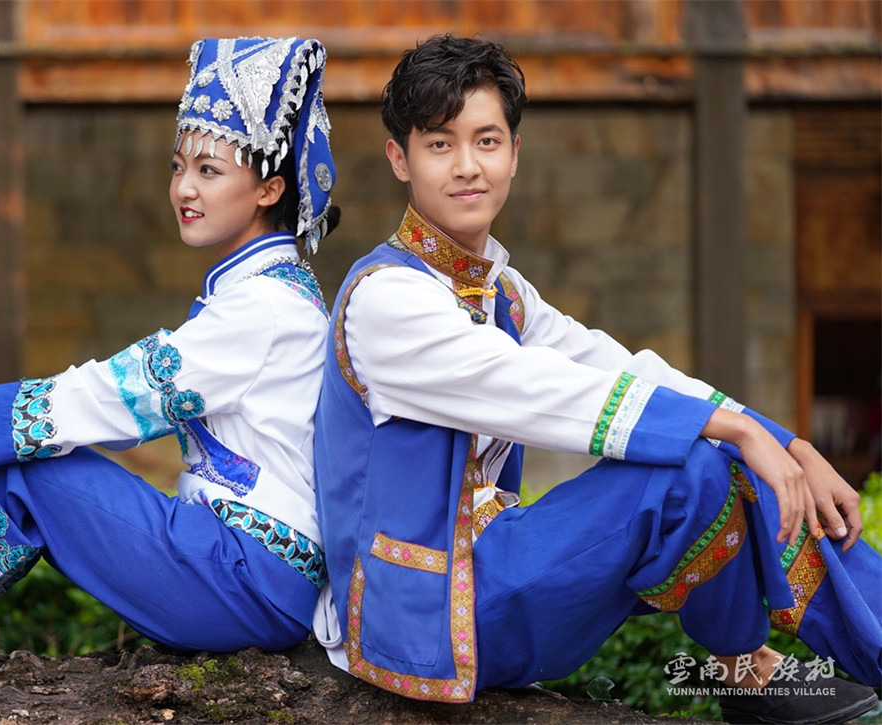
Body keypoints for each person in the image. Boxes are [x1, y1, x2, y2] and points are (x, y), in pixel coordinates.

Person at [311, 34, 880, 723]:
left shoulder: (503, 293)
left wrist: (788, 443)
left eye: (487, 142)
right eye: (439, 144)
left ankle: (756, 667)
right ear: (399, 158)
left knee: (717, 462)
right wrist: (736, 430)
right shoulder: (384, 299)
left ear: (515, 155)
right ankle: (752, 671)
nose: (467, 167)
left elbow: (616, 367)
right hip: (422, 616)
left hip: (496, 572)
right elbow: (539, 387)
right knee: (693, 465)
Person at [0, 35, 341, 680]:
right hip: (242, 568)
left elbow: (128, 392)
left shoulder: (264, 307)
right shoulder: (265, 291)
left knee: (25, 468)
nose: (184, 188)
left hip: (249, 577)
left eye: (209, 171)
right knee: (20, 457)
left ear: (269, 189)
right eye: (177, 166)